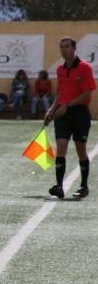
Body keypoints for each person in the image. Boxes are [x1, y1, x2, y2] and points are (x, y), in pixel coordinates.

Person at [44, 36, 95, 199]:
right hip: (62, 113)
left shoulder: (85, 68)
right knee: (61, 146)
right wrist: (51, 110)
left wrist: (68, 106)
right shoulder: (60, 69)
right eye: (61, 47)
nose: (63, 49)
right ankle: (59, 186)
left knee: (80, 149)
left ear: (74, 48)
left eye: (66, 46)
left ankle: (84, 186)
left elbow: (87, 93)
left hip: (79, 113)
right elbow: (60, 93)